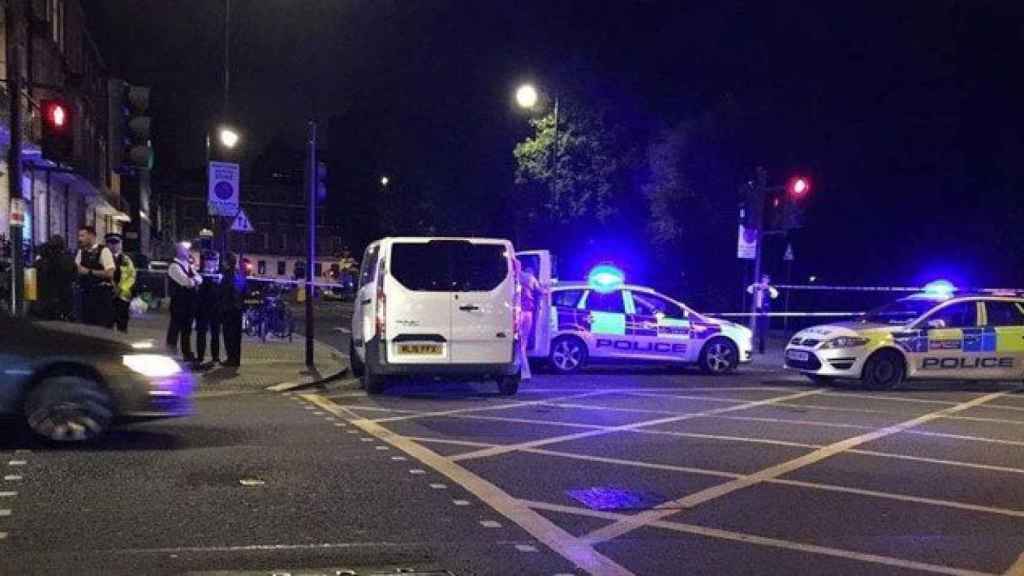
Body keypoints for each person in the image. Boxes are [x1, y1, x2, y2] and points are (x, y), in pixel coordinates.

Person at [166, 242, 202, 362]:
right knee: (175, 327)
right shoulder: (174, 266)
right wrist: (193, 281)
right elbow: (185, 282)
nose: (188, 252)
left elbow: (199, 278)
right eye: (185, 250)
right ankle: (171, 352)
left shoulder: (188, 265)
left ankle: (187, 353)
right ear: (178, 252)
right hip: (178, 303)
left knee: (187, 329)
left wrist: (193, 281)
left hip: (189, 303)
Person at [74, 226, 115, 327]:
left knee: (101, 327)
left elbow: (110, 273)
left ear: (91, 236)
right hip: (85, 295)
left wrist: (89, 272)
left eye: (82, 236)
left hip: (101, 296)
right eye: (79, 236)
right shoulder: (81, 252)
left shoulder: (104, 251)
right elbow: (76, 268)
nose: (80, 239)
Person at [33, 236, 76, 321]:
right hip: (63, 305)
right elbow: (74, 278)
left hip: (41, 306)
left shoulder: (37, 264)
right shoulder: (68, 261)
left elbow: (29, 286)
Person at [194, 250, 223, 367]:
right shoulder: (200, 273)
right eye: (210, 261)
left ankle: (215, 357)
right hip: (202, 307)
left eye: (215, 261)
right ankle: (200, 356)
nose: (213, 264)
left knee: (215, 334)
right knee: (201, 333)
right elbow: (197, 289)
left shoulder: (219, 275)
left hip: (215, 308)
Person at [219, 252, 247, 368]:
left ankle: (231, 359)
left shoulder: (226, 276)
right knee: (236, 336)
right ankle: (236, 359)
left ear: (227, 262)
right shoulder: (238, 274)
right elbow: (244, 290)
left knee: (229, 335)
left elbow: (223, 292)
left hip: (228, 309)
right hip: (237, 308)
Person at [516, 261, 543, 380]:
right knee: (523, 344)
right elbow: (541, 291)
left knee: (517, 343)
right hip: (527, 312)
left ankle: (520, 371)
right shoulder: (530, 277)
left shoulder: (512, 277)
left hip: (516, 312)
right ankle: (524, 373)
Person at [106, 234, 136, 333]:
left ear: (120, 244)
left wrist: (121, 288)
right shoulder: (103, 258)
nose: (114, 246)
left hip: (122, 296)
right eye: (111, 243)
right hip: (107, 295)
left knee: (122, 324)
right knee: (107, 324)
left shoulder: (126, 259)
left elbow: (131, 276)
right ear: (107, 244)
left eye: (116, 243)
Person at [747, 273, 780, 354]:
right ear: (761, 279)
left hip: (765, 311)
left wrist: (768, 288)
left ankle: (761, 349)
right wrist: (755, 285)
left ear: (768, 280)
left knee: (762, 331)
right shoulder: (757, 286)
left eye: (766, 279)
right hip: (756, 311)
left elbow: (775, 295)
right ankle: (748, 348)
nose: (764, 280)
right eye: (763, 278)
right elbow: (749, 290)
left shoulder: (770, 288)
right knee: (752, 330)